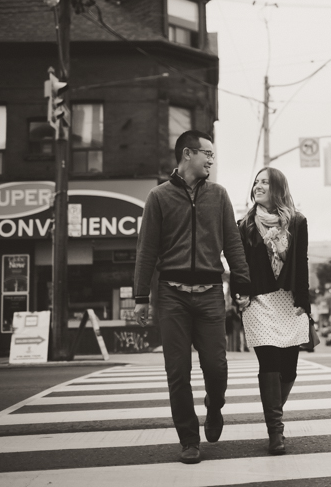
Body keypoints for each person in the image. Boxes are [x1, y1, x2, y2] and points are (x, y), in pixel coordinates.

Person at [133, 130, 251, 464]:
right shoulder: (158, 197)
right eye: (207, 154)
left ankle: (215, 406)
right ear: (188, 154)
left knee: (216, 367)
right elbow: (146, 251)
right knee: (178, 372)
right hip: (171, 297)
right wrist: (141, 296)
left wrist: (242, 287)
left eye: (213, 156)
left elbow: (233, 243)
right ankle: (189, 439)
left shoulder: (219, 195)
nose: (212, 160)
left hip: (212, 295)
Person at [233, 167, 311, 456]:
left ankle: (273, 411)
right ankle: (275, 433)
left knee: (288, 369)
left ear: (278, 187)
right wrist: (239, 293)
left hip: (289, 301)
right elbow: (238, 264)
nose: (258, 186)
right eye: (256, 182)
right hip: (259, 302)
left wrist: (305, 303)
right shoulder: (245, 226)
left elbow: (301, 264)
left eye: (265, 182)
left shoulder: (297, 222)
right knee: (269, 364)